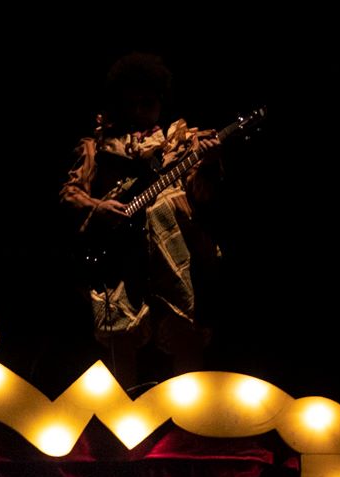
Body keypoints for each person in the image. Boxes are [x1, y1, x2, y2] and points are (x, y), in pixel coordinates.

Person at [60, 52, 222, 386]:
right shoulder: (97, 145)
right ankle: (120, 423)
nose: (136, 112)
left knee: (184, 328)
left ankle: (188, 424)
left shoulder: (178, 144)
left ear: (160, 103)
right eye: (129, 104)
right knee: (119, 336)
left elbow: (203, 195)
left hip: (171, 250)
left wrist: (209, 162)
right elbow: (69, 192)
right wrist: (96, 206)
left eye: (145, 104)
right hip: (118, 256)